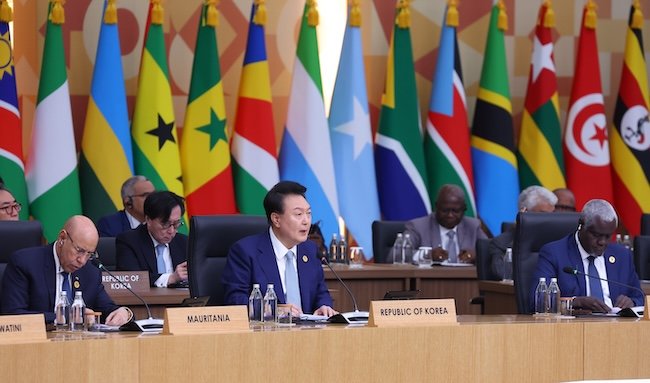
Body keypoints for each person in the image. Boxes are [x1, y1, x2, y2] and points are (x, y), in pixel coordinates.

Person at [222, 181, 337, 317]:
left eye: (308, 213)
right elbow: (235, 301)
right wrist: (273, 311)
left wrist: (324, 306)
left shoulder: (310, 250)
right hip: (266, 334)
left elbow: (321, 292)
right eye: (298, 214)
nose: (306, 221)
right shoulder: (245, 251)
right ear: (276, 219)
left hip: (307, 333)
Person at [0, 215, 132, 325]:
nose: (83, 260)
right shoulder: (25, 263)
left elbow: (107, 308)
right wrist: (65, 317)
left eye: (89, 254)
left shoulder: (90, 273)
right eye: (79, 251)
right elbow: (13, 315)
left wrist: (123, 312)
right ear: (62, 238)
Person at [531, 199, 643, 313]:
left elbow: (639, 296)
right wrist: (576, 302)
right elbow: (539, 301)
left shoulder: (622, 255)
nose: (602, 242)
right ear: (581, 225)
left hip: (617, 326)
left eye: (608, 236)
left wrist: (632, 302)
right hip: (575, 326)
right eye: (596, 235)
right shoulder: (554, 253)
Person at [115, 191, 188, 287]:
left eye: (176, 224)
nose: (171, 231)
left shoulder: (185, 242)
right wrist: (170, 278)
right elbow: (132, 280)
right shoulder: (128, 241)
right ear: (148, 220)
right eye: (165, 224)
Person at [404, 184, 487, 264]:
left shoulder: (473, 226)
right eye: (445, 210)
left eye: (455, 211)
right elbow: (397, 254)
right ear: (436, 207)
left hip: (466, 277)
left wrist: (477, 255)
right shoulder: (418, 226)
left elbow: (491, 251)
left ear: (464, 209)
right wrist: (427, 255)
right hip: (430, 277)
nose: (450, 215)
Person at [490, 186, 557, 278]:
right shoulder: (501, 243)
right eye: (543, 214)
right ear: (524, 213)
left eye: (553, 214)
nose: (550, 220)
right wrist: (519, 235)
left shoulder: (557, 239)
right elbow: (503, 273)